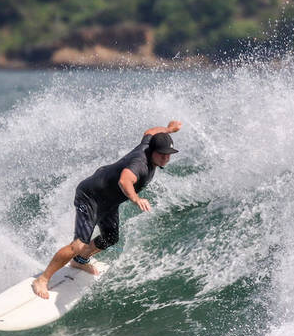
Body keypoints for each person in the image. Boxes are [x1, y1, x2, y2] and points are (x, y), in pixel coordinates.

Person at [32, 120, 183, 299]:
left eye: (169, 154)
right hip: (90, 197)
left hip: (109, 199)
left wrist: (168, 130)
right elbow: (124, 180)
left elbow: (149, 131)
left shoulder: (148, 144)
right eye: (162, 154)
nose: (166, 158)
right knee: (78, 244)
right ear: (153, 151)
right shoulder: (140, 164)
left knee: (110, 238)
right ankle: (42, 279)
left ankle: (80, 261)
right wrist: (136, 198)